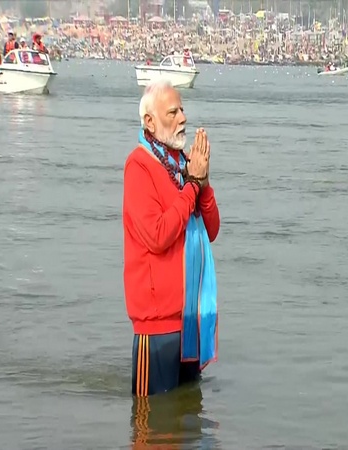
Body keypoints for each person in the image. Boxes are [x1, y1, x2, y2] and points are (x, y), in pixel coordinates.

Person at [123, 79, 220, 397]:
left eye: (183, 110)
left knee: (190, 420)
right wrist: (192, 185)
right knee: (151, 430)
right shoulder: (139, 166)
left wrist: (202, 184)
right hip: (157, 327)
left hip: (189, 319)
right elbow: (158, 235)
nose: (183, 118)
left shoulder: (181, 165)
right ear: (150, 122)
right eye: (173, 112)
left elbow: (212, 230)